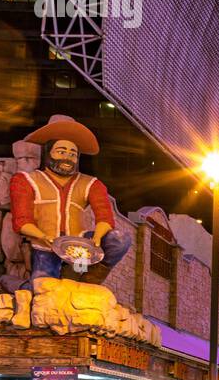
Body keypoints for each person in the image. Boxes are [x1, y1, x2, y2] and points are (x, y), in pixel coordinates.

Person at [8, 115, 132, 285]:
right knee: (43, 288)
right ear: (48, 153)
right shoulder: (26, 180)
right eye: (61, 152)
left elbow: (105, 217)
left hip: (78, 247)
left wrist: (96, 239)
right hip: (45, 246)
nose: (67, 157)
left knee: (119, 239)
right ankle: (18, 285)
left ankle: (88, 278)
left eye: (72, 154)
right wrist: (43, 237)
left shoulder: (91, 183)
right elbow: (21, 221)